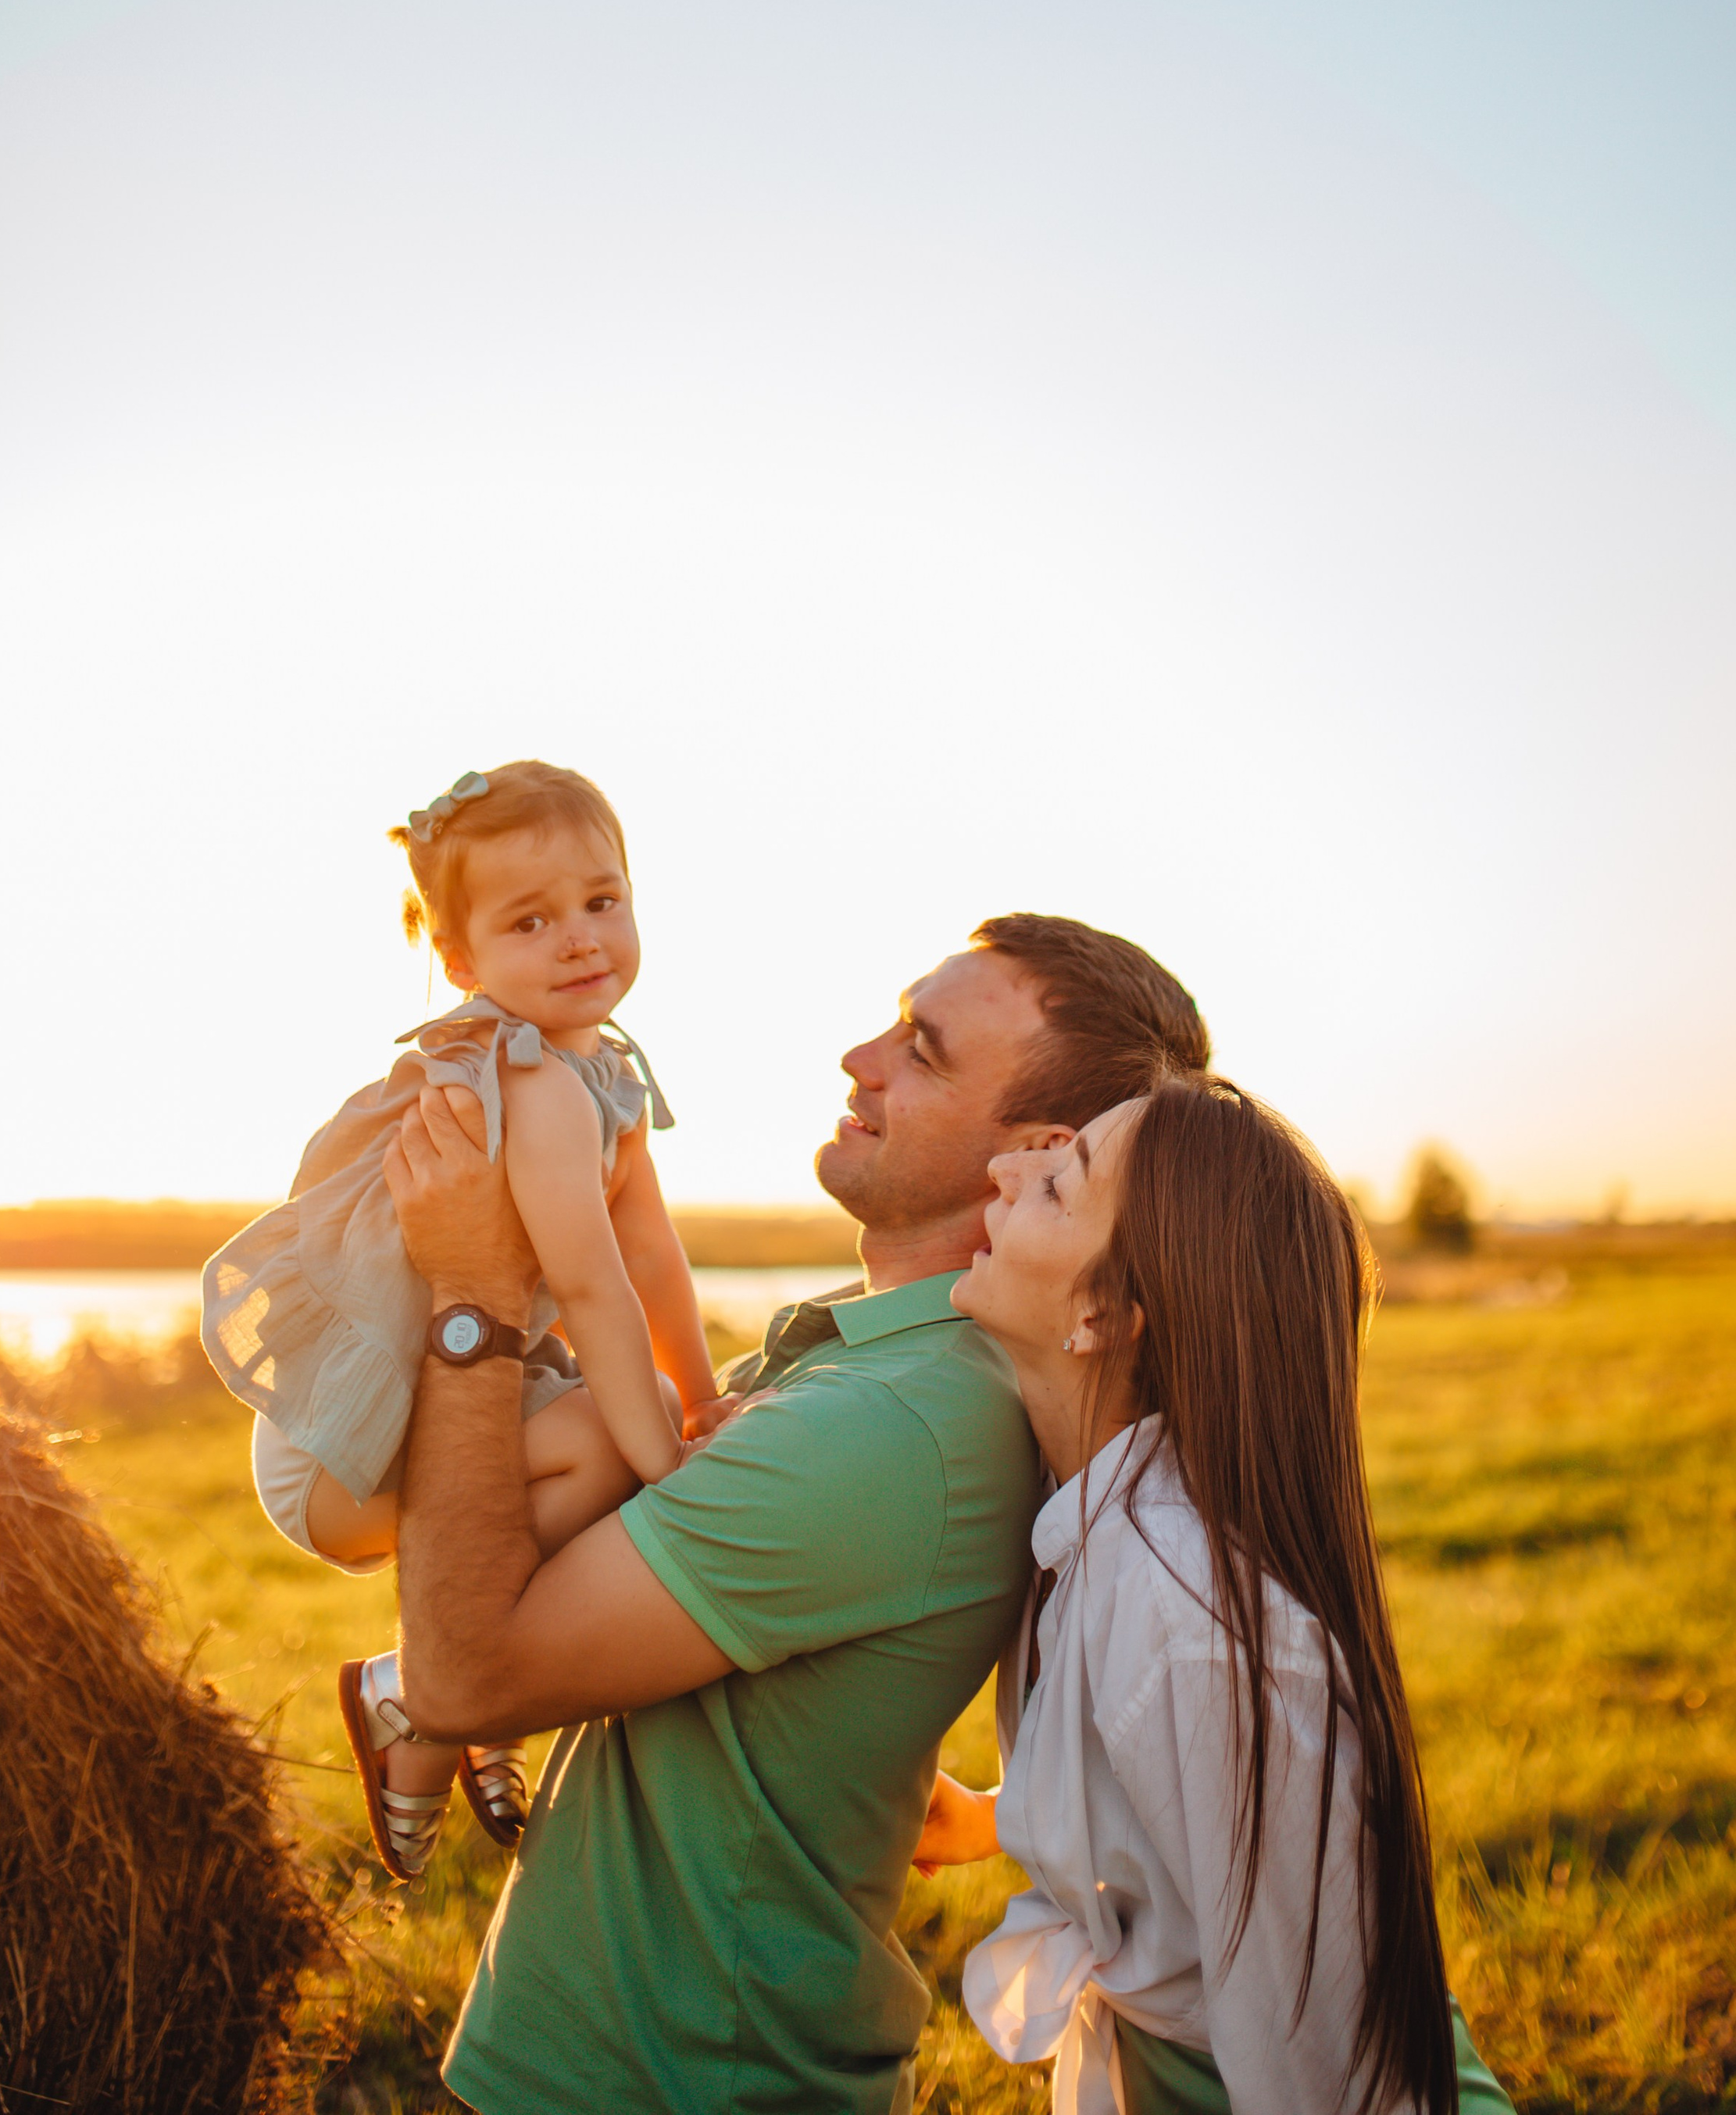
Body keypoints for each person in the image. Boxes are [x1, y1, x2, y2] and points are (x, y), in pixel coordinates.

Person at [381, 913, 1211, 2115]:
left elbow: (462, 1680)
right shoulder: (874, 1359)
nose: (858, 1056)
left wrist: (467, 1296)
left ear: (1030, 1151)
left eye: (922, 1048)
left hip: (663, 2080)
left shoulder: (893, 1422)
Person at [919, 1078, 1514, 2115]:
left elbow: (1320, 2071)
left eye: (1058, 1182)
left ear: (1105, 1315)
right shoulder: (1095, 1514)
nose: (1005, 1170)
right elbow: (1182, 1795)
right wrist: (1003, 1819)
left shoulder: (1191, 1630)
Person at [199, 760, 720, 1876]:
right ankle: (422, 1695)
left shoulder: (600, 1076)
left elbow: (654, 1264)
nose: (582, 940)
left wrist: (706, 1397)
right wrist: (665, 1455)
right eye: (531, 921)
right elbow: (589, 1289)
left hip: (460, 1414)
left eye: (603, 901)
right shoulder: (526, 1084)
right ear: (460, 961)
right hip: (341, 1442)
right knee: (615, 1447)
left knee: (632, 1423)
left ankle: (467, 1698)